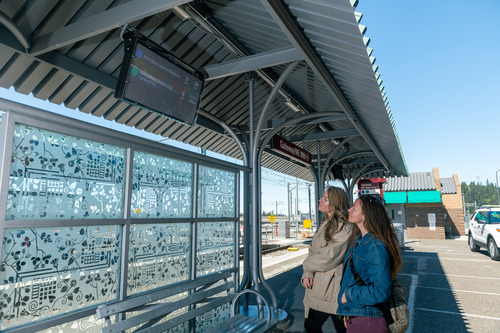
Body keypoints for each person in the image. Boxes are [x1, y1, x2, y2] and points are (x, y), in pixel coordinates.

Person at [337, 195, 403, 332]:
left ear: (366, 215)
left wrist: (348, 295)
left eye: (354, 208)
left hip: (369, 322)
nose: (349, 210)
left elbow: (380, 290)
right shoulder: (360, 240)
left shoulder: (375, 247)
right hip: (358, 314)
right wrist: (348, 310)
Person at [301, 186, 353, 333]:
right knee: (311, 326)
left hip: (332, 287)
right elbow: (313, 250)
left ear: (335, 204)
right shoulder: (326, 222)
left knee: (317, 326)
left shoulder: (345, 226)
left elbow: (329, 256)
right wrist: (307, 273)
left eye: (325, 199)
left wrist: (306, 265)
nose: (320, 200)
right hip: (318, 285)